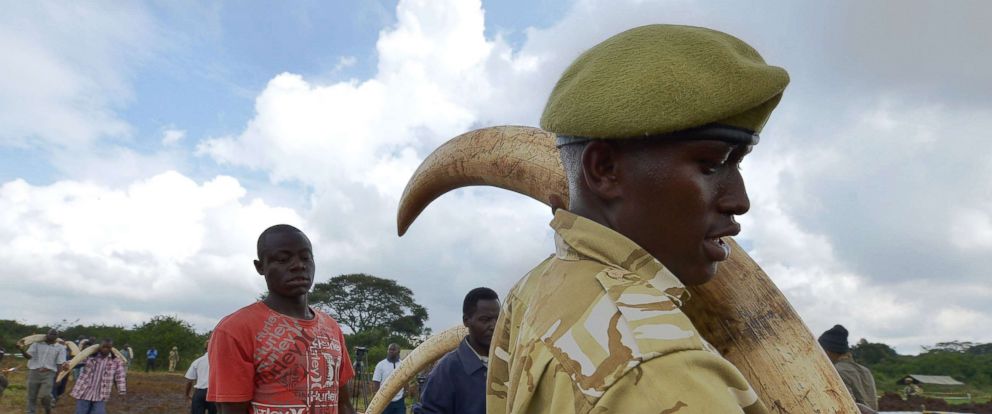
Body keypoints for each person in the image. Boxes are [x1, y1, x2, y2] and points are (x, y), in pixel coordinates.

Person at [484, 25, 792, 414]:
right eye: (711, 164)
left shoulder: (533, 290)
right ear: (605, 169)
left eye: (738, 163)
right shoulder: (659, 371)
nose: (740, 200)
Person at [208, 224, 357, 414]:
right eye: (283, 259)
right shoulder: (235, 329)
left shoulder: (331, 327)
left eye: (306, 257)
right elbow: (230, 410)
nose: (298, 265)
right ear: (260, 267)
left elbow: (343, 405)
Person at [415, 287, 499, 414]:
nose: (494, 326)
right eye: (485, 320)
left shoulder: (511, 363)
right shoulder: (447, 369)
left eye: (498, 319)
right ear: (466, 321)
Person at [818, 325, 879, 411]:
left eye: (821, 351)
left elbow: (847, 407)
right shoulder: (866, 371)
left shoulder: (836, 372)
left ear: (828, 351)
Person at [69, 338, 127, 414]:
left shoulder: (116, 361)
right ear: (99, 347)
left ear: (111, 348)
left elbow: (120, 377)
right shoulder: (90, 357)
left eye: (108, 347)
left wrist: (121, 391)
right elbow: (76, 361)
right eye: (104, 347)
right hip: (84, 392)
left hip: (101, 394)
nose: (105, 349)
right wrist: (67, 365)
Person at [21, 329, 68, 414]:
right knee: (31, 396)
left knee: (45, 396)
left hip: (49, 373)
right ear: (47, 335)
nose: (52, 336)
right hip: (34, 372)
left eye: (54, 335)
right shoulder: (37, 344)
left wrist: (59, 377)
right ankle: (30, 412)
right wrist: (21, 350)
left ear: (57, 337)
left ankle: (48, 409)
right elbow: (29, 357)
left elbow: (59, 363)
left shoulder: (60, 348)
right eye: (51, 334)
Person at [371, 344, 406, 414]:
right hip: (384, 400)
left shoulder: (403, 364)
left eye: (393, 350)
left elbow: (406, 378)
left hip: (399, 400)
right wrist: (376, 396)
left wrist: (406, 391)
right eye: (389, 349)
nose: (391, 351)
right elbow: (376, 381)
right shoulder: (381, 364)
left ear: (398, 352)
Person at [185, 340, 216, 414]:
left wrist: (187, 394)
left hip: (200, 393)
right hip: (214, 393)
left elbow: (189, 380)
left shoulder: (197, 361)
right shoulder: (220, 361)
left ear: (205, 348)